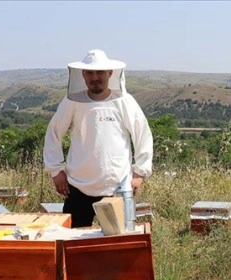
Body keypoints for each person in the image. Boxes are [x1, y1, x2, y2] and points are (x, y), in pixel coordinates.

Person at [43, 49, 153, 228]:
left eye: (100, 72)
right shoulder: (72, 101)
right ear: (83, 74)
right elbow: (54, 132)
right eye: (90, 73)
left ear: (110, 73)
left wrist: (139, 172)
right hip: (77, 187)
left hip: (117, 187)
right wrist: (56, 171)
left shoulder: (124, 101)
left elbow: (143, 135)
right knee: (73, 244)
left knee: (117, 245)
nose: (95, 77)